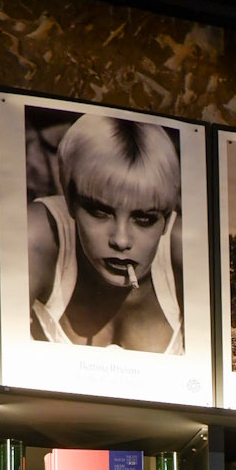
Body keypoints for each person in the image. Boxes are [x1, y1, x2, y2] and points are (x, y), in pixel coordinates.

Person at [27, 112, 184, 351]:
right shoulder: (38, 235)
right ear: (69, 199)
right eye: (100, 212)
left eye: (144, 219)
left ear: (167, 218)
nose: (121, 240)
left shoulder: (185, 253)